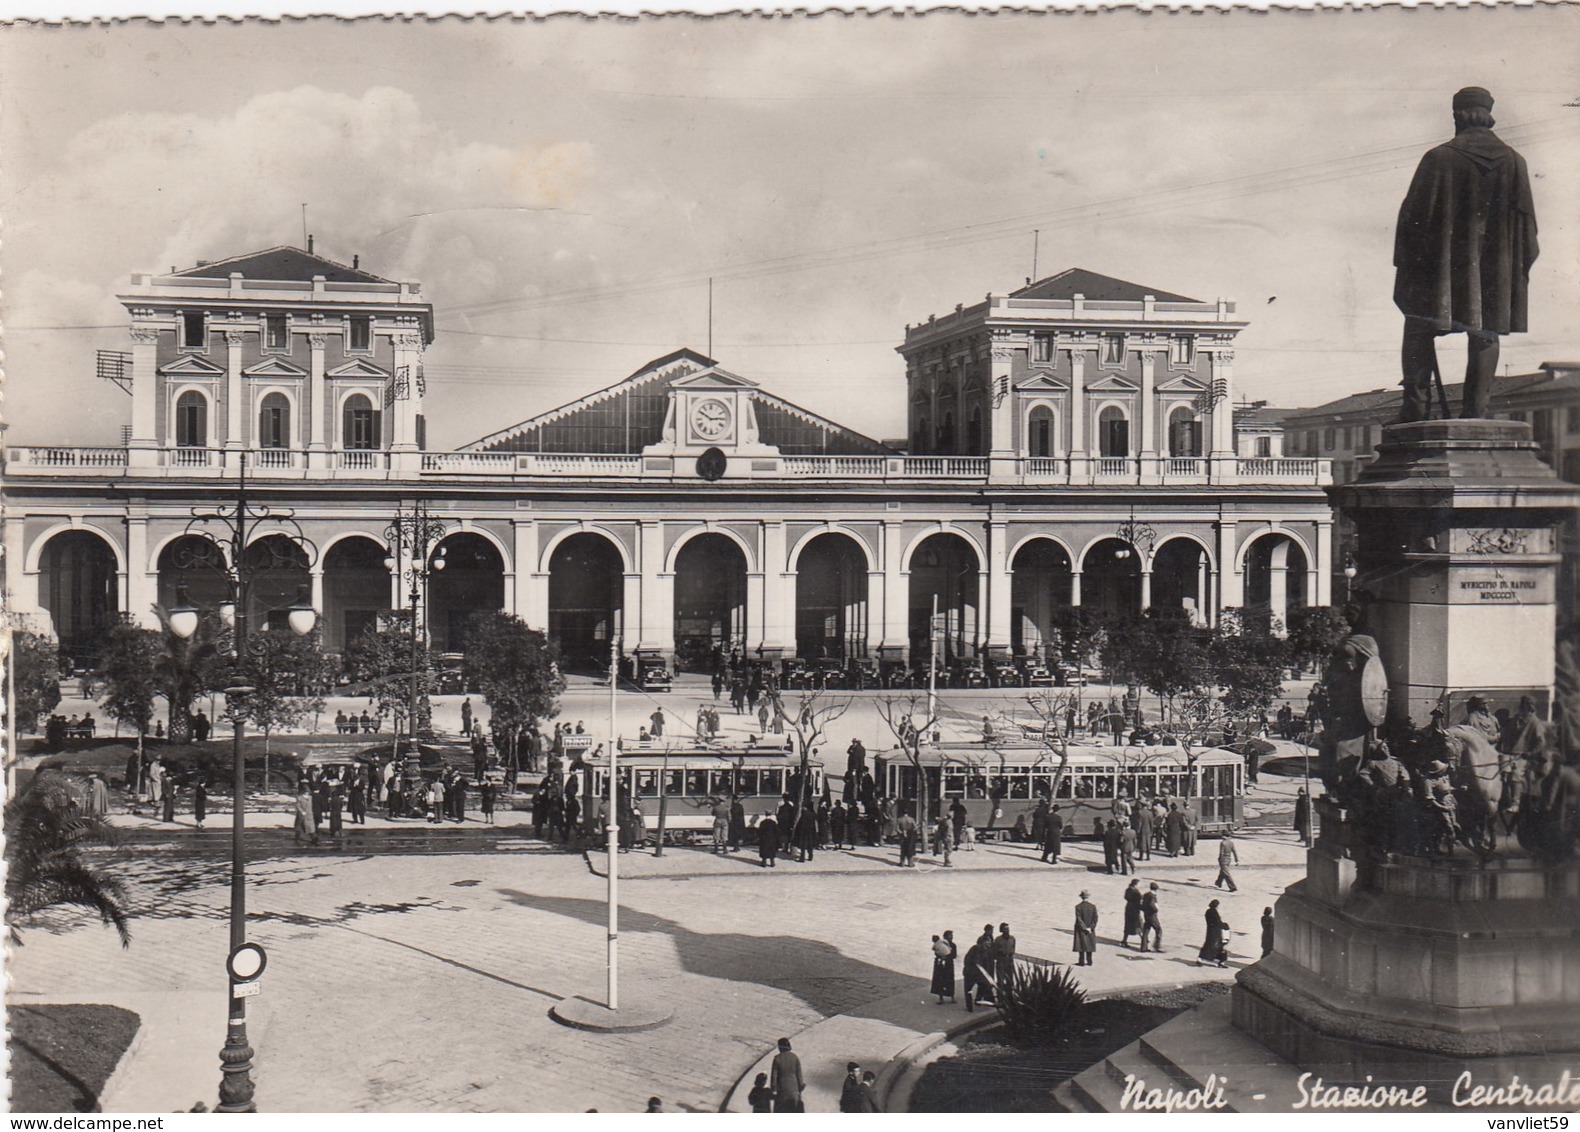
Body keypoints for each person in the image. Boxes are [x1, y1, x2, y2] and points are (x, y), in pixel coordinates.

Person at [1394, 87, 1539, 423]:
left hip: (1440, 273)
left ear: (1459, 115)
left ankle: (1414, 408)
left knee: (1417, 327)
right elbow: (1528, 229)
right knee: (1487, 330)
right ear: (1487, 114)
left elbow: (1412, 221)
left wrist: (1413, 267)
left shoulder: (1439, 158)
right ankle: (1476, 413)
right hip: (1495, 275)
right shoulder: (1515, 162)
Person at [769, 1038, 804, 1113]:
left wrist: (773, 1088)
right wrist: (800, 1086)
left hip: (782, 1090)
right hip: (794, 1090)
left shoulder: (777, 1059)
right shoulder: (795, 1057)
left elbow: (774, 1076)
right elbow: (799, 1074)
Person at [1199, 899, 1229, 968]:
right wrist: (1225, 926)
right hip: (1216, 932)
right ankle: (1221, 962)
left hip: (1210, 931)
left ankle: (1200, 959)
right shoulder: (1214, 912)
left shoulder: (1208, 911)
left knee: (1207, 945)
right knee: (1220, 947)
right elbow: (1217, 922)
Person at [1073, 890, 1099, 966]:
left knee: (1081, 944)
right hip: (1091, 929)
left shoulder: (1078, 907)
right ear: (1088, 897)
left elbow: (1079, 919)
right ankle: (1089, 961)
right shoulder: (1093, 906)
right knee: (1089, 944)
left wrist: (1084, 928)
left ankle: (1081, 962)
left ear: (1081, 897)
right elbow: (1095, 918)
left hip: (1081, 929)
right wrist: (1091, 927)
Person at [931, 930, 957, 1003]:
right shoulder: (941, 944)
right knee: (940, 980)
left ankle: (952, 996)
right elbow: (936, 952)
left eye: (952, 936)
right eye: (950, 936)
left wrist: (946, 957)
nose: (951, 937)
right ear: (945, 937)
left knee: (950, 980)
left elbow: (954, 955)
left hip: (949, 964)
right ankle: (941, 997)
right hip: (941, 964)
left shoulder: (953, 945)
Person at [1140, 882, 1163, 952]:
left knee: (1146, 930)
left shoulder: (1146, 894)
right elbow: (1152, 905)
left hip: (1146, 915)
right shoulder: (1152, 896)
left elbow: (1141, 903)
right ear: (1156, 889)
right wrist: (1156, 910)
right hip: (1152, 916)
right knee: (1159, 929)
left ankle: (1143, 947)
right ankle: (1157, 946)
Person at [1121, 878, 1143, 948]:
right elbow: (1140, 900)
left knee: (1128, 925)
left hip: (1128, 909)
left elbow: (1126, 897)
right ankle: (1144, 939)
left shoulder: (1128, 890)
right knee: (1139, 924)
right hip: (1135, 910)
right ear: (1136, 884)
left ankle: (1124, 940)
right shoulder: (1136, 892)